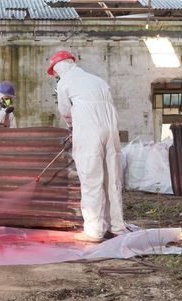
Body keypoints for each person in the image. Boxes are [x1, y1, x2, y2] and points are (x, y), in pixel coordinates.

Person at [47, 50, 128, 243]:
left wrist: (72, 129)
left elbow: (66, 112)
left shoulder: (64, 82)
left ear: (57, 68)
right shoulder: (98, 80)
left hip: (89, 132)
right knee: (112, 180)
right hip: (111, 130)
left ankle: (94, 231)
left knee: (92, 179)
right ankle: (117, 227)